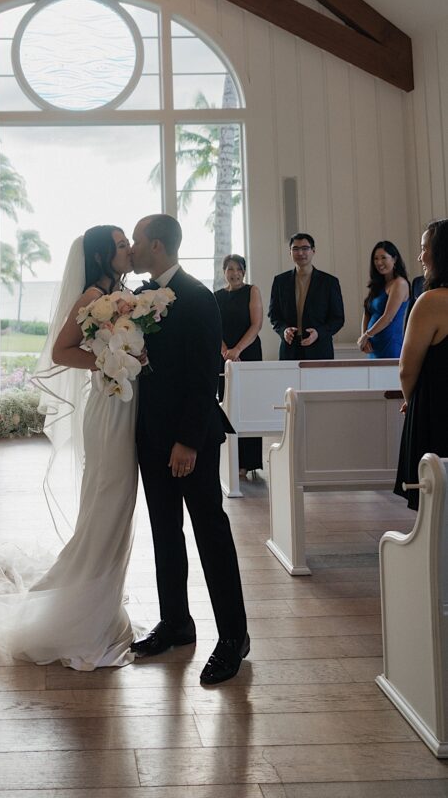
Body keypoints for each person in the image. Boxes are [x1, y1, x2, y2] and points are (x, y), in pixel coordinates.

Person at [0, 227, 139, 671]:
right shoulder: (92, 294)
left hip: (126, 406)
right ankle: (82, 612)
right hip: (107, 408)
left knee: (119, 507)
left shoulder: (124, 295)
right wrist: (112, 360)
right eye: (122, 244)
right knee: (106, 504)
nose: (129, 249)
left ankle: (102, 604)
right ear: (103, 255)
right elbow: (62, 350)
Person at [130, 214, 248, 686]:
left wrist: (187, 441)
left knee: (210, 534)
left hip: (189, 441)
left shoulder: (197, 297)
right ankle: (176, 622)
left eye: (138, 241)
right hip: (150, 438)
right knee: (164, 531)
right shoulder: (140, 299)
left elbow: (204, 377)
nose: (134, 247)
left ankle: (234, 637)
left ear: (156, 246)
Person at [394, 220, 448, 510]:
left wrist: (410, 400)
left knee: (434, 501)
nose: (420, 257)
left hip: (436, 409)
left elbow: (407, 368)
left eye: (425, 248)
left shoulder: (431, 301)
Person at [214, 253, 263, 477]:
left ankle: (248, 463)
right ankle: (230, 462)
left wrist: (237, 351)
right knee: (228, 406)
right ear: (224, 272)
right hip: (223, 356)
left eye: (238, 269)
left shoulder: (252, 291)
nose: (234, 273)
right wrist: (225, 351)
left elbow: (256, 325)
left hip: (248, 352)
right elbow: (215, 328)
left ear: (244, 271)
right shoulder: (216, 296)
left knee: (249, 406)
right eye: (230, 269)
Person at [268, 233, 345, 360]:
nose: (300, 253)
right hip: (289, 349)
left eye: (305, 248)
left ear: (313, 251)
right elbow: (274, 315)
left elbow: (338, 318)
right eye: (296, 249)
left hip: (319, 349)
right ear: (290, 252)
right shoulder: (280, 281)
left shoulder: (329, 282)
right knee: (289, 381)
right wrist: (284, 330)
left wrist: (319, 333)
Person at [357, 241, 410, 359]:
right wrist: (364, 338)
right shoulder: (378, 284)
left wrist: (367, 335)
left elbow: (388, 317)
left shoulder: (399, 283)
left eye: (383, 258)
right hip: (372, 345)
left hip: (390, 344)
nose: (379, 262)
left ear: (394, 259)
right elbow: (367, 312)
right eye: (375, 259)